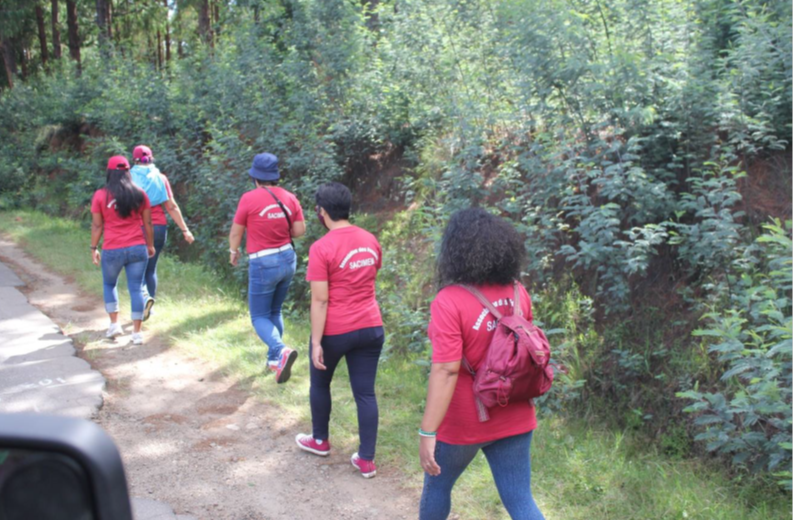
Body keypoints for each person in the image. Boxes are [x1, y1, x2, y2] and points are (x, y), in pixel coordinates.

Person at [418, 208, 545, 520]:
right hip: (515, 413)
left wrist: (427, 432)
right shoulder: (519, 292)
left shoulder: (449, 300)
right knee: (520, 500)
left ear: (456, 251)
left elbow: (446, 369)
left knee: (437, 487)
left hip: (465, 420)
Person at [295, 182, 385, 479]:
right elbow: (370, 276)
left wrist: (317, 342)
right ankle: (367, 460)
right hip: (371, 327)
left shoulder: (322, 248)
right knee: (365, 393)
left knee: (320, 383)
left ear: (321, 212)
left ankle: (320, 440)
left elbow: (320, 300)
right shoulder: (370, 239)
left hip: (336, 330)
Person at [229, 153, 305, 383]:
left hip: (264, 262)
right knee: (275, 311)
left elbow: (236, 231)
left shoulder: (248, 199)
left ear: (255, 177)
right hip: (288, 259)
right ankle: (274, 361)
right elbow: (300, 231)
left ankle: (280, 350)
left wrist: (233, 251)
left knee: (259, 316)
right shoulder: (290, 197)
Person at [90, 155, 155, 346]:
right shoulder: (139, 194)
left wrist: (93, 248)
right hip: (137, 248)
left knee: (110, 285)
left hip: (112, 249)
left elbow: (96, 226)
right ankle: (136, 334)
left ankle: (114, 324)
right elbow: (148, 223)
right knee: (136, 287)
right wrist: (150, 245)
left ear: (109, 172)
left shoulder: (100, 195)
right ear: (128, 172)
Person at [130, 145, 195, 320]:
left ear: (134, 159)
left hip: (137, 228)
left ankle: (143, 300)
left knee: (136, 269)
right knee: (151, 269)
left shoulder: (128, 177)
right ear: (151, 158)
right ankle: (150, 306)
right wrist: (185, 230)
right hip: (158, 227)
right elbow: (172, 206)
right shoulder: (161, 178)